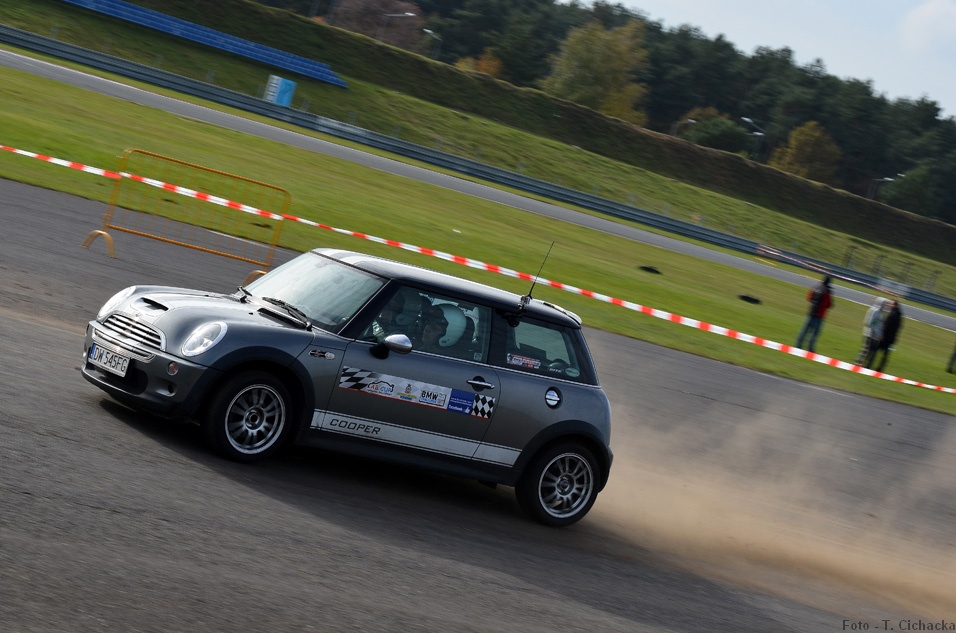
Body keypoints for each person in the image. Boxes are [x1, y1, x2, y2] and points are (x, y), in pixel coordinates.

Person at [795, 275, 834, 352]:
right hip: (820, 315)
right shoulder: (826, 292)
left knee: (804, 330)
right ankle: (810, 348)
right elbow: (828, 304)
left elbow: (809, 298)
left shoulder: (815, 287)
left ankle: (798, 344)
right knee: (814, 333)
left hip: (811, 312)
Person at [871, 299, 902, 372]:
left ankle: (870, 366)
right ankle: (880, 368)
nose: (889, 305)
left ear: (894, 305)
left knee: (875, 350)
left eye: (891, 304)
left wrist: (882, 335)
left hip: (886, 338)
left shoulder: (893, 314)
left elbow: (888, 327)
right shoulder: (898, 315)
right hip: (891, 339)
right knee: (885, 355)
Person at [855, 297, 886, 367]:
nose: (885, 306)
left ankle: (863, 364)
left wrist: (880, 334)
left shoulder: (881, 312)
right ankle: (858, 363)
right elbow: (870, 323)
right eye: (884, 304)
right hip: (869, 333)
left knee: (870, 351)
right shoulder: (875, 311)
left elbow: (879, 324)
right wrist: (878, 333)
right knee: (865, 349)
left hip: (875, 335)